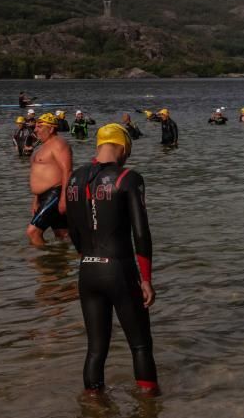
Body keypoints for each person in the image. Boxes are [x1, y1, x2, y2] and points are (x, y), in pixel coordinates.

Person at [66, 124, 158, 395]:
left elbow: (72, 228)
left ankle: (94, 405)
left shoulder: (74, 178)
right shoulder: (129, 178)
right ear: (123, 147)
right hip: (119, 269)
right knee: (140, 345)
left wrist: (86, 256)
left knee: (96, 349)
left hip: (88, 272)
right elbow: (141, 233)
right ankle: (149, 408)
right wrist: (147, 279)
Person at [27, 112, 72, 246]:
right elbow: (38, 176)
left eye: (40, 127)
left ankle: (46, 263)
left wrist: (64, 198)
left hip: (56, 193)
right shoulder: (41, 147)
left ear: (51, 129)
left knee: (33, 232)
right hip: (44, 196)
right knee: (62, 234)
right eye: (35, 126)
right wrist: (36, 199)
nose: (35, 130)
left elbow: (67, 171)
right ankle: (65, 263)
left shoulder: (59, 144)